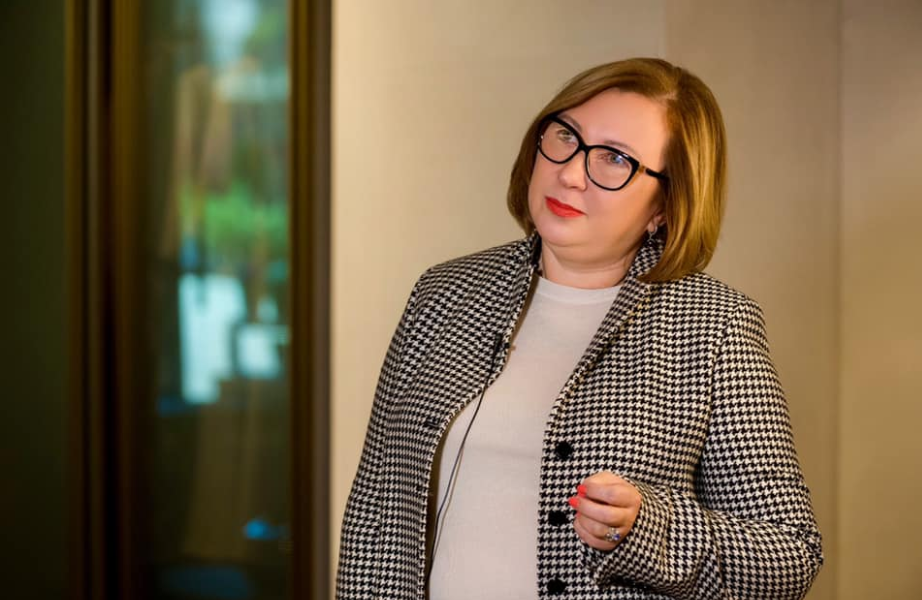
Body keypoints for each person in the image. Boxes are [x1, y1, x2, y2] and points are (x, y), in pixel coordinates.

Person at [336, 57, 823, 600]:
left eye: (615, 159)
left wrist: (648, 528)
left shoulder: (714, 326)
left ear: (665, 205)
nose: (570, 173)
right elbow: (375, 513)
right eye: (566, 136)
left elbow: (791, 555)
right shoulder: (445, 293)